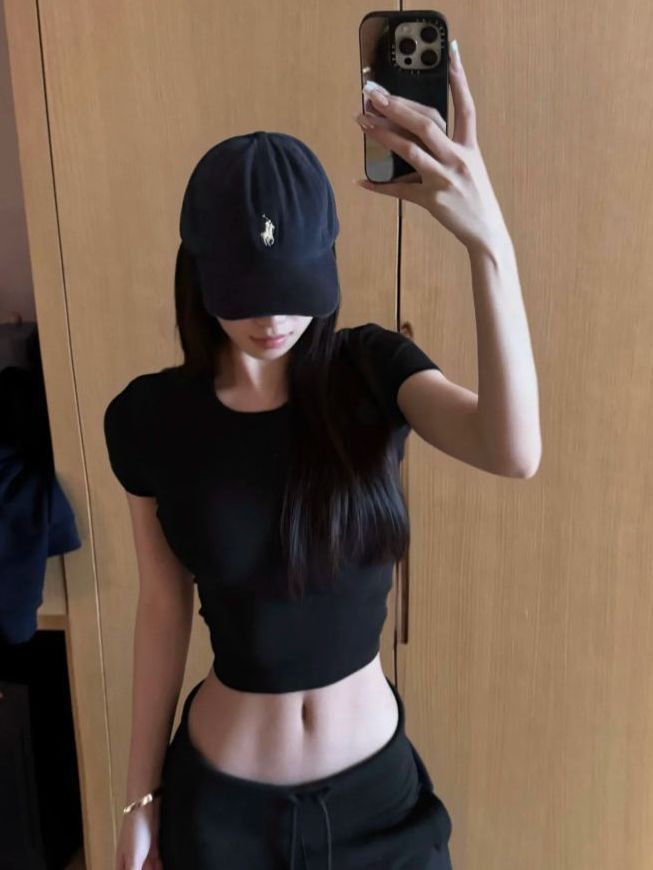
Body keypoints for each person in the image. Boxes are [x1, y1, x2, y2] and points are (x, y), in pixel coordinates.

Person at [107, 40, 539, 870]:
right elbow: (162, 607)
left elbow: (511, 450)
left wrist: (489, 244)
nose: (272, 319)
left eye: (292, 289)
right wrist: (140, 796)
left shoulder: (371, 370)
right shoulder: (148, 418)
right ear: (199, 275)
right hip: (221, 815)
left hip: (379, 809)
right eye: (246, 294)